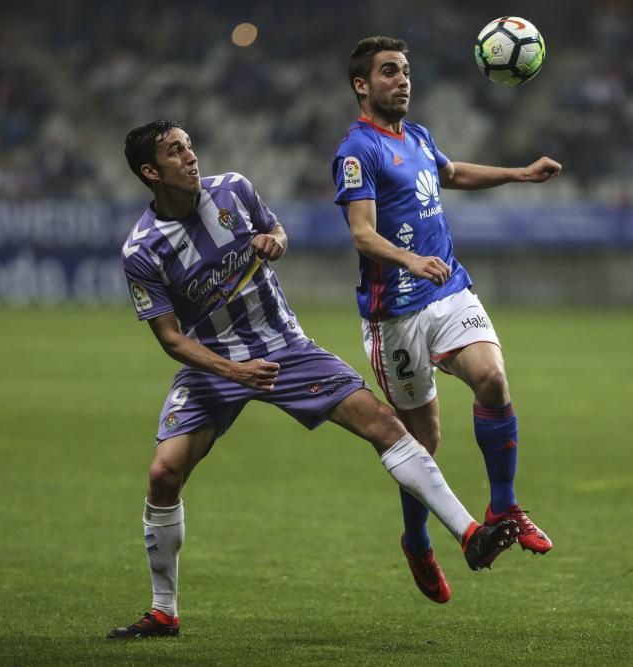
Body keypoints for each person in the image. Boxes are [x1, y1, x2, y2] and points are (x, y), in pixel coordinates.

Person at [108, 120, 519, 639]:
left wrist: (275, 240)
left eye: (189, 145)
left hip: (285, 347)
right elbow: (171, 339)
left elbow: (277, 229)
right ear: (150, 171)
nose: (190, 157)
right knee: (164, 475)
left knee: (383, 424)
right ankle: (164, 611)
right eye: (175, 151)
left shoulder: (233, 189)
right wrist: (235, 371)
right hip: (213, 363)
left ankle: (470, 534)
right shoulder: (142, 250)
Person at [331, 36, 561, 605]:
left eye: (406, 71)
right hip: (396, 313)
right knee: (422, 439)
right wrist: (410, 259)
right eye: (389, 72)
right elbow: (361, 232)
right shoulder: (357, 151)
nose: (402, 80)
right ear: (363, 85)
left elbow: (451, 173)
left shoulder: (417, 136)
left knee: (493, 378)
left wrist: (519, 175)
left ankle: (504, 504)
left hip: (448, 288)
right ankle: (416, 540)